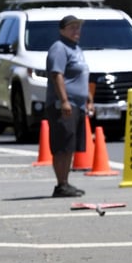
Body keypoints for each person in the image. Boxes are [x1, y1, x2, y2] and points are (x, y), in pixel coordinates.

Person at [45, 15, 89, 197]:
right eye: (72, 27)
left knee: (70, 145)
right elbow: (57, 75)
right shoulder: (59, 48)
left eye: (78, 27)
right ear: (62, 30)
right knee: (62, 145)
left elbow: (81, 75)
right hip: (64, 104)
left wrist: (88, 98)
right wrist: (64, 100)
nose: (76, 31)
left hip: (77, 104)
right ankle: (60, 184)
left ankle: (65, 182)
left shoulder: (76, 48)